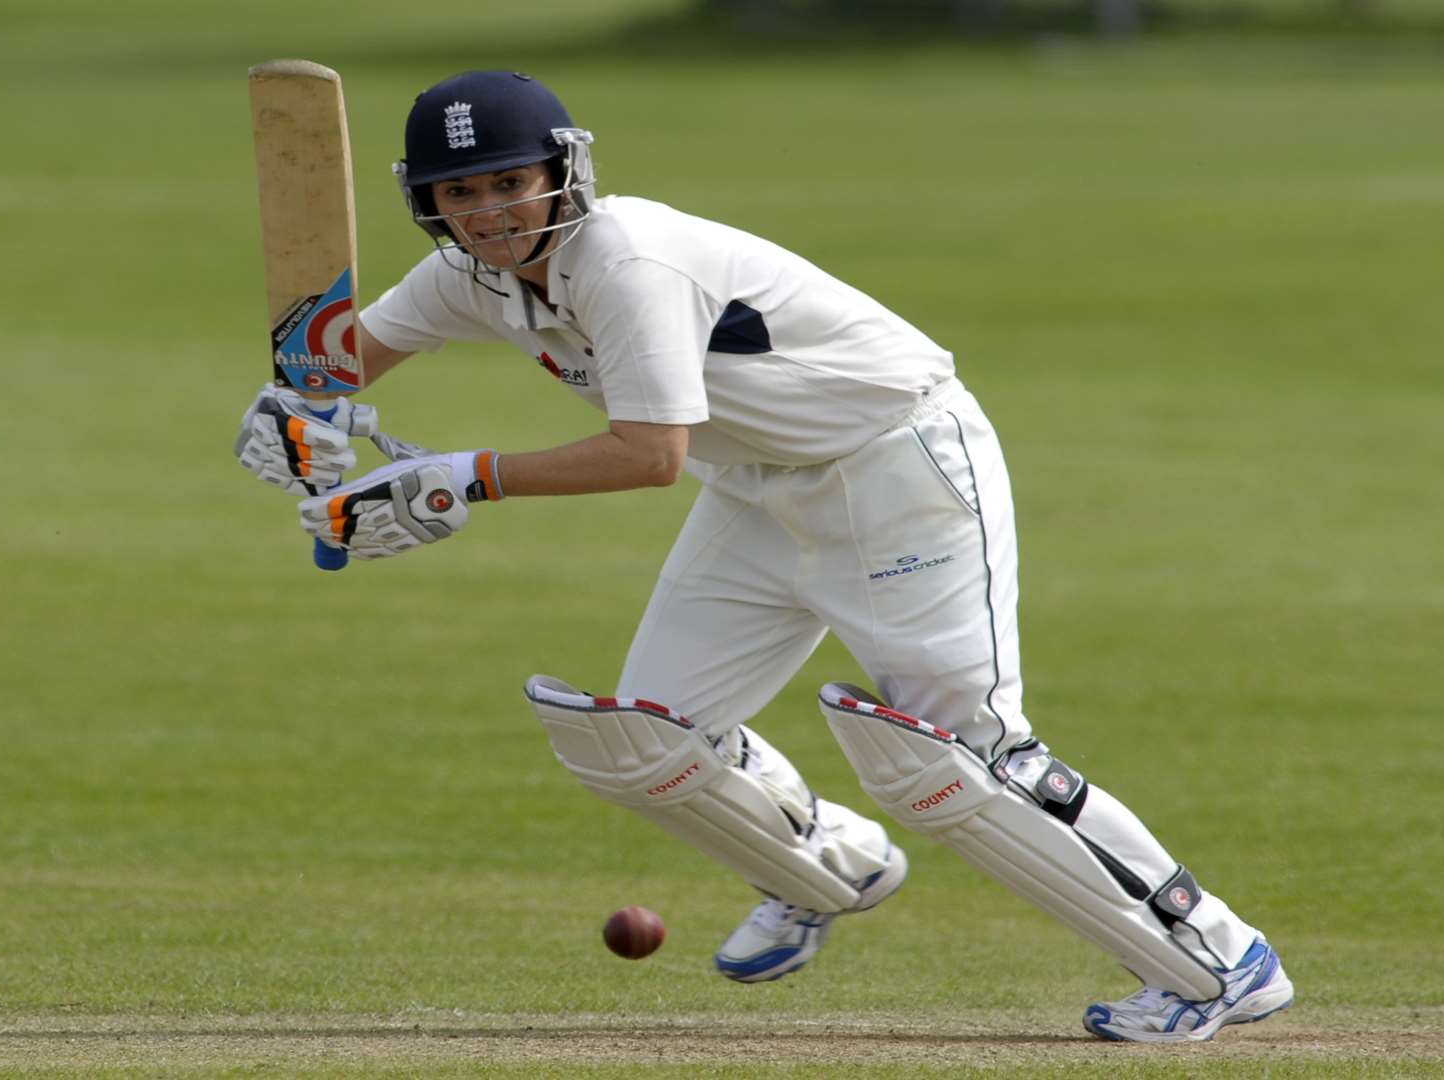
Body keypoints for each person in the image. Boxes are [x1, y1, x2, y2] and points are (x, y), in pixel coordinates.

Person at [236, 70, 1294, 1042]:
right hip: (757, 489)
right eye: (458, 194)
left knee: (961, 752)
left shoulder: (627, 261)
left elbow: (649, 456)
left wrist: (459, 477)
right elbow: (335, 365)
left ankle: (1222, 960)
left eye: (509, 182)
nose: (488, 213)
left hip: (899, 471)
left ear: (564, 169)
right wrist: (296, 417)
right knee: (647, 741)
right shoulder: (468, 277)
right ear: (429, 203)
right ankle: (832, 867)